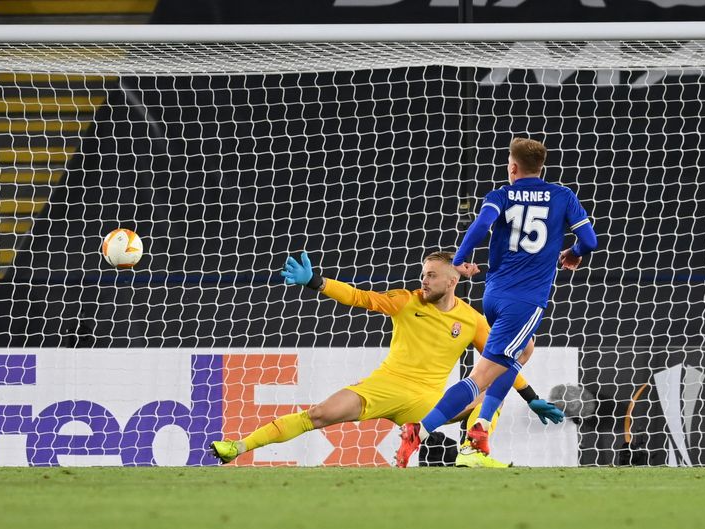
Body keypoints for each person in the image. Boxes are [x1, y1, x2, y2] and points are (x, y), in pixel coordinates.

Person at [210, 250, 564, 468]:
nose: (423, 280)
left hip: (428, 402)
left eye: (431, 275)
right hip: (384, 387)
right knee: (317, 415)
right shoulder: (405, 300)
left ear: (453, 279)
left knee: (488, 394)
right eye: (423, 273)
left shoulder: (472, 320)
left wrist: (531, 398)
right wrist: (316, 282)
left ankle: (473, 453)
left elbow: (499, 362)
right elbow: (360, 297)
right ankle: (237, 448)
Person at [395, 137, 598, 467]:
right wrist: (572, 254)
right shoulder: (563, 196)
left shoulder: (500, 195)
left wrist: (460, 259)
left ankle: (478, 432)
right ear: (540, 167)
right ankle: (423, 430)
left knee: (524, 349)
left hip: (494, 296)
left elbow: (481, 226)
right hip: (525, 302)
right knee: (481, 378)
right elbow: (590, 240)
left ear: (513, 167)